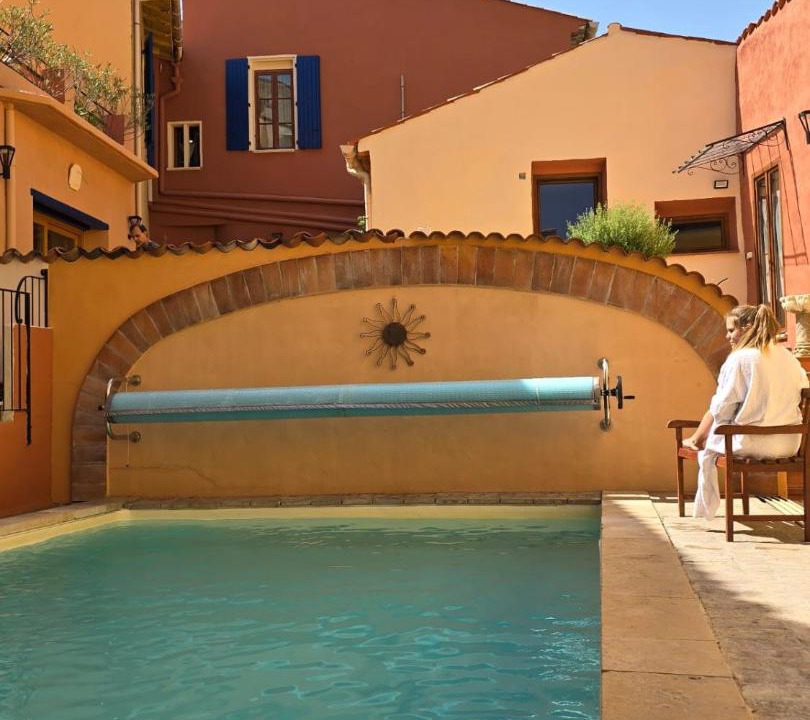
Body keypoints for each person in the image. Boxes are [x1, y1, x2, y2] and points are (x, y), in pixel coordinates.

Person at [682, 304, 809, 520]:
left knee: (718, 413)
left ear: (748, 328)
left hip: (749, 443)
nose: (727, 336)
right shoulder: (788, 357)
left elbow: (722, 408)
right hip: (789, 444)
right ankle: (697, 439)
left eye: (731, 330)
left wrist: (702, 434)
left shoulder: (740, 358)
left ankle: (695, 440)